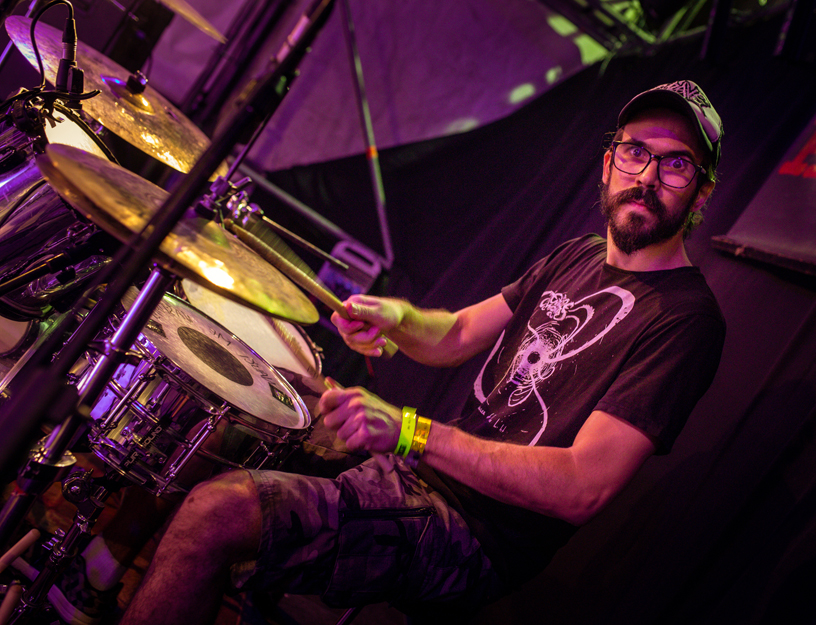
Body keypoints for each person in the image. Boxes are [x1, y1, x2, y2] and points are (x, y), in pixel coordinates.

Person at [118, 79, 727, 624]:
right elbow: (457, 334)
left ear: (700, 194)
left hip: (474, 536)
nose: (647, 176)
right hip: (420, 474)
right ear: (609, 162)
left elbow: (581, 488)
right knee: (236, 403)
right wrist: (398, 318)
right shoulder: (579, 255)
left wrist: (410, 432)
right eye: (635, 152)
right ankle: (94, 581)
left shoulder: (685, 319)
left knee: (218, 512)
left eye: (676, 165)